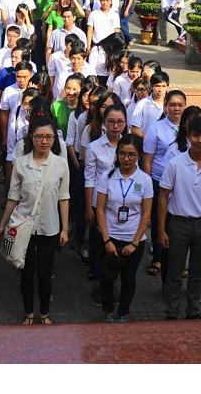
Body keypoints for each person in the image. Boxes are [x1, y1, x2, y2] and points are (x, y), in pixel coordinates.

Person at [0, 117, 70, 325]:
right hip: (23, 228)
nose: (44, 141)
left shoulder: (61, 165)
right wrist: (3, 224)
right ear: (32, 138)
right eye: (39, 136)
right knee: (26, 272)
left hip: (50, 228)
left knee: (45, 274)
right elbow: (13, 198)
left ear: (54, 139)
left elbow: (64, 198)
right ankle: (29, 312)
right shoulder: (20, 164)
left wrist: (65, 229)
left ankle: (45, 313)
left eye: (48, 137)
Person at [159, 116, 201, 320]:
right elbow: (163, 196)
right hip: (179, 224)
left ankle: (193, 311)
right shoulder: (175, 164)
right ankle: (172, 312)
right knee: (174, 272)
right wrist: (162, 230)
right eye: (195, 135)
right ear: (188, 136)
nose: (200, 140)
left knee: (197, 273)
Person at [96, 133, 152, 322]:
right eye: (122, 154)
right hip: (109, 238)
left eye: (131, 155)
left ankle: (124, 312)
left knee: (129, 279)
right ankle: (108, 311)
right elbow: (101, 209)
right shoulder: (107, 177)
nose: (126, 159)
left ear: (139, 156)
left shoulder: (145, 180)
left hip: (133, 240)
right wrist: (106, 240)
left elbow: (146, 213)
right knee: (106, 278)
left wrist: (135, 243)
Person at [84, 102, 128, 306]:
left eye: (120, 122)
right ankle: (98, 283)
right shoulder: (94, 147)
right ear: (104, 122)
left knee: (118, 245)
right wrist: (88, 207)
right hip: (98, 205)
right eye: (111, 122)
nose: (115, 126)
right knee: (99, 246)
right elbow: (89, 178)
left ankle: (113, 282)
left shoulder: (130, 146)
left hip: (123, 206)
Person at [142, 90, 186, 279]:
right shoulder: (157, 128)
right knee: (160, 220)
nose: (176, 108)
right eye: (173, 104)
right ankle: (158, 258)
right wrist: (148, 185)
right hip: (159, 181)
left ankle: (180, 261)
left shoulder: (189, 128)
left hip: (183, 185)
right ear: (166, 106)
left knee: (181, 222)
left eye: (180, 105)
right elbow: (148, 160)